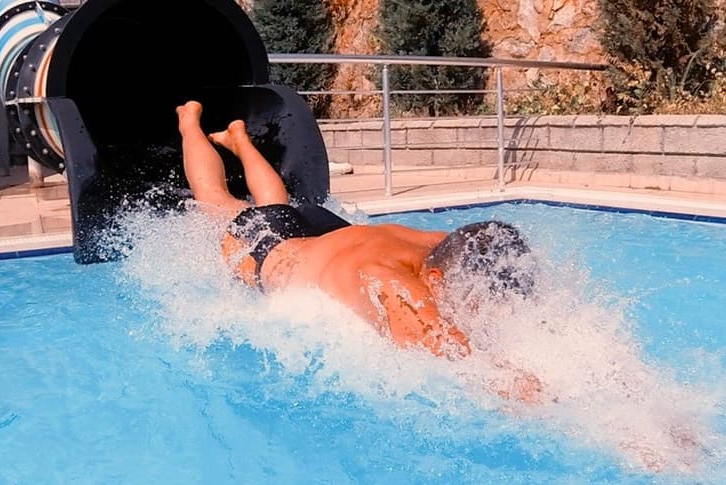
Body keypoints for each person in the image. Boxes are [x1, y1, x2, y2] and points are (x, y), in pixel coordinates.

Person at [176, 100, 541, 401]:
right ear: (435, 277)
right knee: (217, 200)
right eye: (472, 300)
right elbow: (454, 356)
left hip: (330, 235)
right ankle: (188, 120)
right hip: (271, 248)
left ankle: (240, 140)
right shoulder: (388, 283)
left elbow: (501, 262)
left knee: (277, 203)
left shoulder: (448, 246)